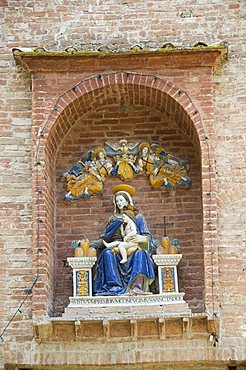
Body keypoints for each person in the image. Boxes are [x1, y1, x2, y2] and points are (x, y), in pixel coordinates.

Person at [93, 184, 155, 296]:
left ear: (127, 201)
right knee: (107, 253)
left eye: (121, 200)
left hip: (133, 246)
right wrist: (93, 245)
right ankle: (114, 287)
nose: (119, 203)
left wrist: (141, 238)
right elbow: (106, 237)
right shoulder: (113, 220)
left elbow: (148, 238)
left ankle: (136, 287)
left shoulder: (137, 218)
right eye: (117, 201)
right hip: (117, 247)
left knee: (140, 254)